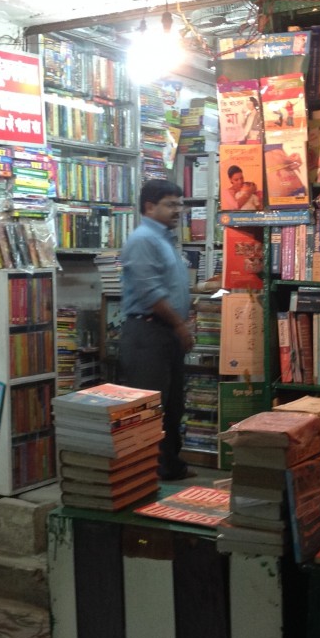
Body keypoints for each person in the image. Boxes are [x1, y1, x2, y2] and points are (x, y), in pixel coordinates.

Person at [118, 179, 195, 481]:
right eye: (171, 204)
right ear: (150, 206)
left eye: (180, 204)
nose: (178, 210)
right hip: (147, 334)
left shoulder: (164, 239)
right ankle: (146, 475)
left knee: (173, 405)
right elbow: (150, 293)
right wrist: (179, 324)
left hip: (166, 335)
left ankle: (169, 468)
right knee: (150, 408)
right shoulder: (142, 240)